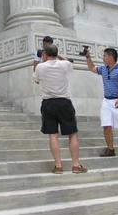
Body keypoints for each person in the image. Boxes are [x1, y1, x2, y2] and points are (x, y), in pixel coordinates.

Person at [33, 45, 87, 174]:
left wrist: (41, 60)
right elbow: (68, 61)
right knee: (72, 134)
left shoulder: (40, 67)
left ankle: (58, 166)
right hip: (64, 102)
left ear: (45, 54)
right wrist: (57, 56)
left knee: (53, 135)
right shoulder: (65, 65)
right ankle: (75, 165)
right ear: (56, 53)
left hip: (48, 103)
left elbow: (36, 80)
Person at [84, 47, 118, 157]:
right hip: (107, 101)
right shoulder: (103, 69)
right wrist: (88, 57)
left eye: (104, 56)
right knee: (106, 125)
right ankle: (110, 149)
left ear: (110, 57)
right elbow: (91, 68)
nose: (103, 58)